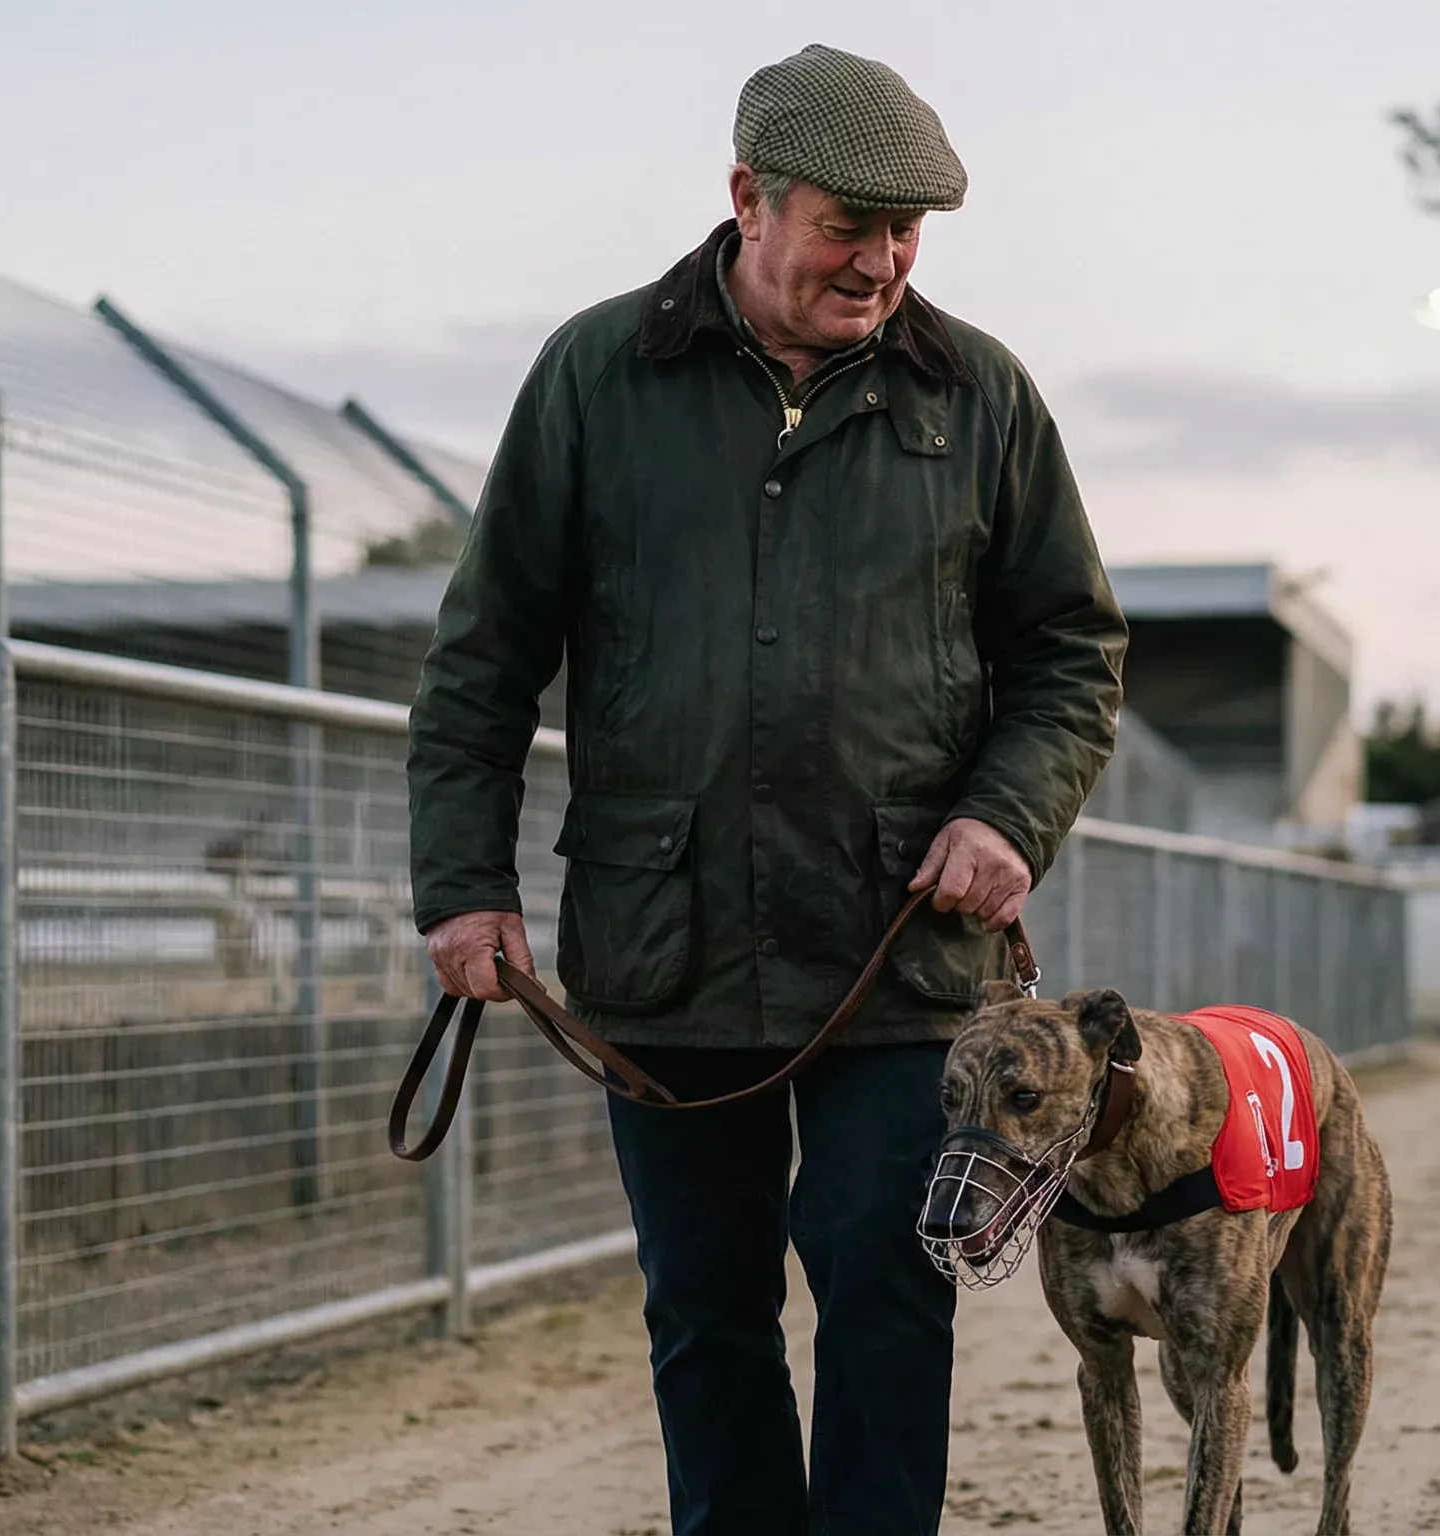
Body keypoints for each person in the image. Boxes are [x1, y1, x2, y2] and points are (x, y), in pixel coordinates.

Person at [408, 42, 1125, 1536]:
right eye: (848, 226)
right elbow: (482, 658)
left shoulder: (979, 396)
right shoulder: (598, 377)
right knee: (706, 1310)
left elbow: (1071, 648)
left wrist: (1008, 813)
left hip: (901, 954)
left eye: (906, 233)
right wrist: (463, 883)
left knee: (882, 1285)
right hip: (662, 944)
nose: (881, 263)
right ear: (750, 199)